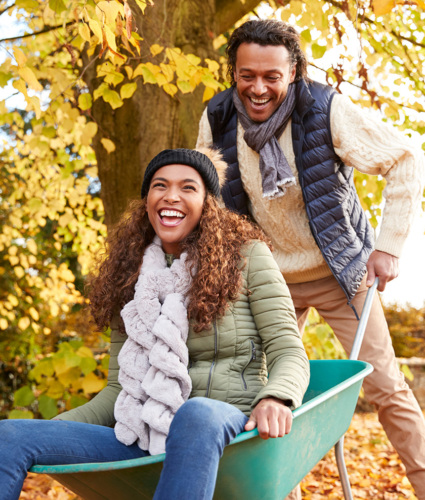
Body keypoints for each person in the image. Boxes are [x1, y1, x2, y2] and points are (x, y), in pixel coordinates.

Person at [196, 19, 425, 499]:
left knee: (385, 387)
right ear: (233, 72)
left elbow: (406, 159)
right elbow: (208, 204)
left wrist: (387, 247)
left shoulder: (325, 109)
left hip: (341, 272)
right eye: (247, 75)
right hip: (266, 279)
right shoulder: (217, 119)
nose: (258, 88)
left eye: (272, 77)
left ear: (294, 72)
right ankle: (275, 491)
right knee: (261, 392)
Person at [0, 147, 310, 500]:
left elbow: (289, 351)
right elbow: (119, 390)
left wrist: (276, 398)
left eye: (188, 187)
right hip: (142, 432)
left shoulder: (247, 256)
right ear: (147, 199)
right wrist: (55, 431)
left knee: (195, 413)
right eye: (160, 185)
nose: (171, 196)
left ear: (209, 201)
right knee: (9, 436)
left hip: (228, 428)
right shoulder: (129, 275)